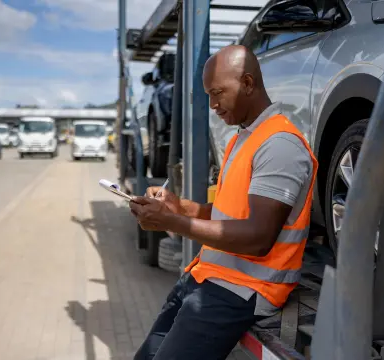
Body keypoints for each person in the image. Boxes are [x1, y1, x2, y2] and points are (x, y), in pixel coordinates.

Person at [129, 44, 319, 360]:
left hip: (244, 290)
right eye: (209, 95)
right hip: (208, 277)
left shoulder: (280, 145)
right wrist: (180, 207)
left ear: (247, 83)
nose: (213, 104)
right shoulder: (242, 139)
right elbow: (227, 213)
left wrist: (172, 223)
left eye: (218, 93)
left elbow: (258, 238)